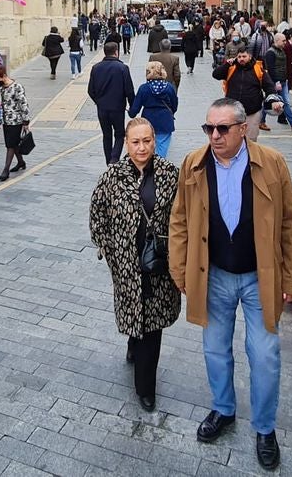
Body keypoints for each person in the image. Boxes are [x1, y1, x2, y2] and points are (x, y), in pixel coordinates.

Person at [169, 98, 292, 471]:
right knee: (215, 350)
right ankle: (223, 409)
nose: (214, 136)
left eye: (222, 129)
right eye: (209, 128)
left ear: (243, 129)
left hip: (260, 277)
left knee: (264, 356)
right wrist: (180, 270)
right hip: (213, 277)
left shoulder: (272, 163)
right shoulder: (194, 164)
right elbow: (179, 221)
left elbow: (291, 223)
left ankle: (264, 428)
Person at [88, 118, 181, 412]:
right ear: (127, 143)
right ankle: (132, 340)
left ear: (155, 141)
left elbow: (184, 216)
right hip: (126, 265)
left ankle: (145, 386)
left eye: (147, 141)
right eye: (135, 142)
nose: (142, 148)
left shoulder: (170, 174)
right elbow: (97, 216)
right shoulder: (112, 177)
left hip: (159, 266)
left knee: (152, 326)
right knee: (134, 314)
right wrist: (111, 251)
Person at [213, 48, 281, 139]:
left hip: (252, 112)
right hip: (232, 111)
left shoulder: (258, 69)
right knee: (232, 139)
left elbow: (269, 86)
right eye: (239, 57)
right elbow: (216, 75)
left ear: (250, 56)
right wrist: (226, 64)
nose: (241, 59)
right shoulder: (231, 68)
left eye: (244, 56)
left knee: (250, 140)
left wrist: (273, 100)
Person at [87, 42, 135, 164]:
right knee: (119, 134)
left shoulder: (96, 68)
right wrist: (132, 106)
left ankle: (109, 161)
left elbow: (90, 90)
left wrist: (99, 102)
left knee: (106, 135)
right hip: (118, 108)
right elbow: (129, 90)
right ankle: (114, 158)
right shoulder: (123, 68)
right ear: (116, 52)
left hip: (102, 109)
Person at [130, 62, 179, 158]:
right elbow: (174, 105)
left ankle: (148, 167)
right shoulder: (169, 87)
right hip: (165, 120)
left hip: (148, 120)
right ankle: (159, 166)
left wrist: (131, 112)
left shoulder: (144, 88)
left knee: (147, 146)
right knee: (162, 147)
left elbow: (135, 108)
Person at [261, 33, 292, 133]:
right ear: (277, 41)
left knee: (285, 102)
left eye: (285, 41)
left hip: (283, 80)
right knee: (270, 101)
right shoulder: (270, 52)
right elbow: (271, 69)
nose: (285, 43)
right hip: (275, 82)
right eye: (283, 41)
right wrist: (275, 82)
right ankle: (261, 120)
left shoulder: (282, 50)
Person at [0, 65, 30, 181]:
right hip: (6, 121)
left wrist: (26, 121)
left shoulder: (17, 87)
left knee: (10, 145)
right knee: (13, 144)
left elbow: (23, 104)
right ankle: (21, 162)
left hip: (16, 120)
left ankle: (6, 170)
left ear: (4, 76)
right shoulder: (0, 89)